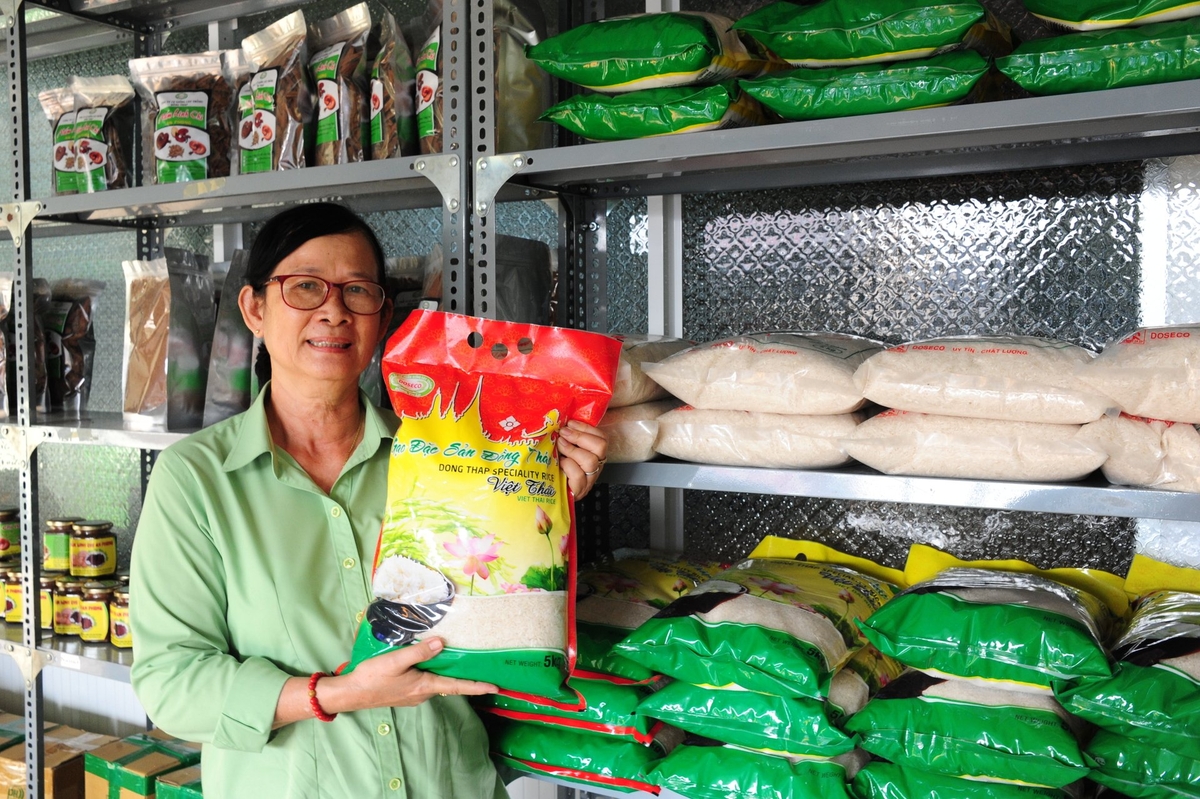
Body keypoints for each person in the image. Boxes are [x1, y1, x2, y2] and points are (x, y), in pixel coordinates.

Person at [129, 202, 609, 798]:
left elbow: (505, 618)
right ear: (254, 309)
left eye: (358, 291)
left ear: (382, 318)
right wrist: (335, 696)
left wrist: (547, 498)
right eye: (305, 287)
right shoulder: (196, 480)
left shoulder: (448, 458)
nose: (333, 310)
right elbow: (172, 683)